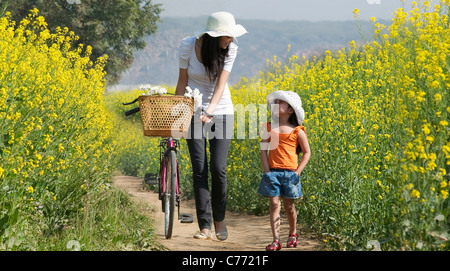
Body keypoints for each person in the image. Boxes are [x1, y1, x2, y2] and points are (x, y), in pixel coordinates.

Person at [175, 11, 247, 240]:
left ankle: (219, 219)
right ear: (215, 36)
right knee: (200, 169)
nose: (232, 40)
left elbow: (221, 85)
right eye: (228, 36)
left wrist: (210, 111)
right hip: (193, 110)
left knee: (218, 168)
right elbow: (182, 81)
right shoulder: (188, 46)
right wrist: (178, 115)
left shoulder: (230, 50)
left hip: (221, 110)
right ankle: (204, 226)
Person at [258, 90, 311, 251]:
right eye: (275, 102)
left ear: (290, 111)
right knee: (274, 204)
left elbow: (307, 152)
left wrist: (298, 172)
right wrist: (267, 171)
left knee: (289, 206)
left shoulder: (298, 131)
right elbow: (263, 150)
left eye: (280, 103)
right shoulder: (268, 127)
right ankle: (276, 240)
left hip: (291, 174)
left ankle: (293, 233)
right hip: (272, 173)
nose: (276, 105)